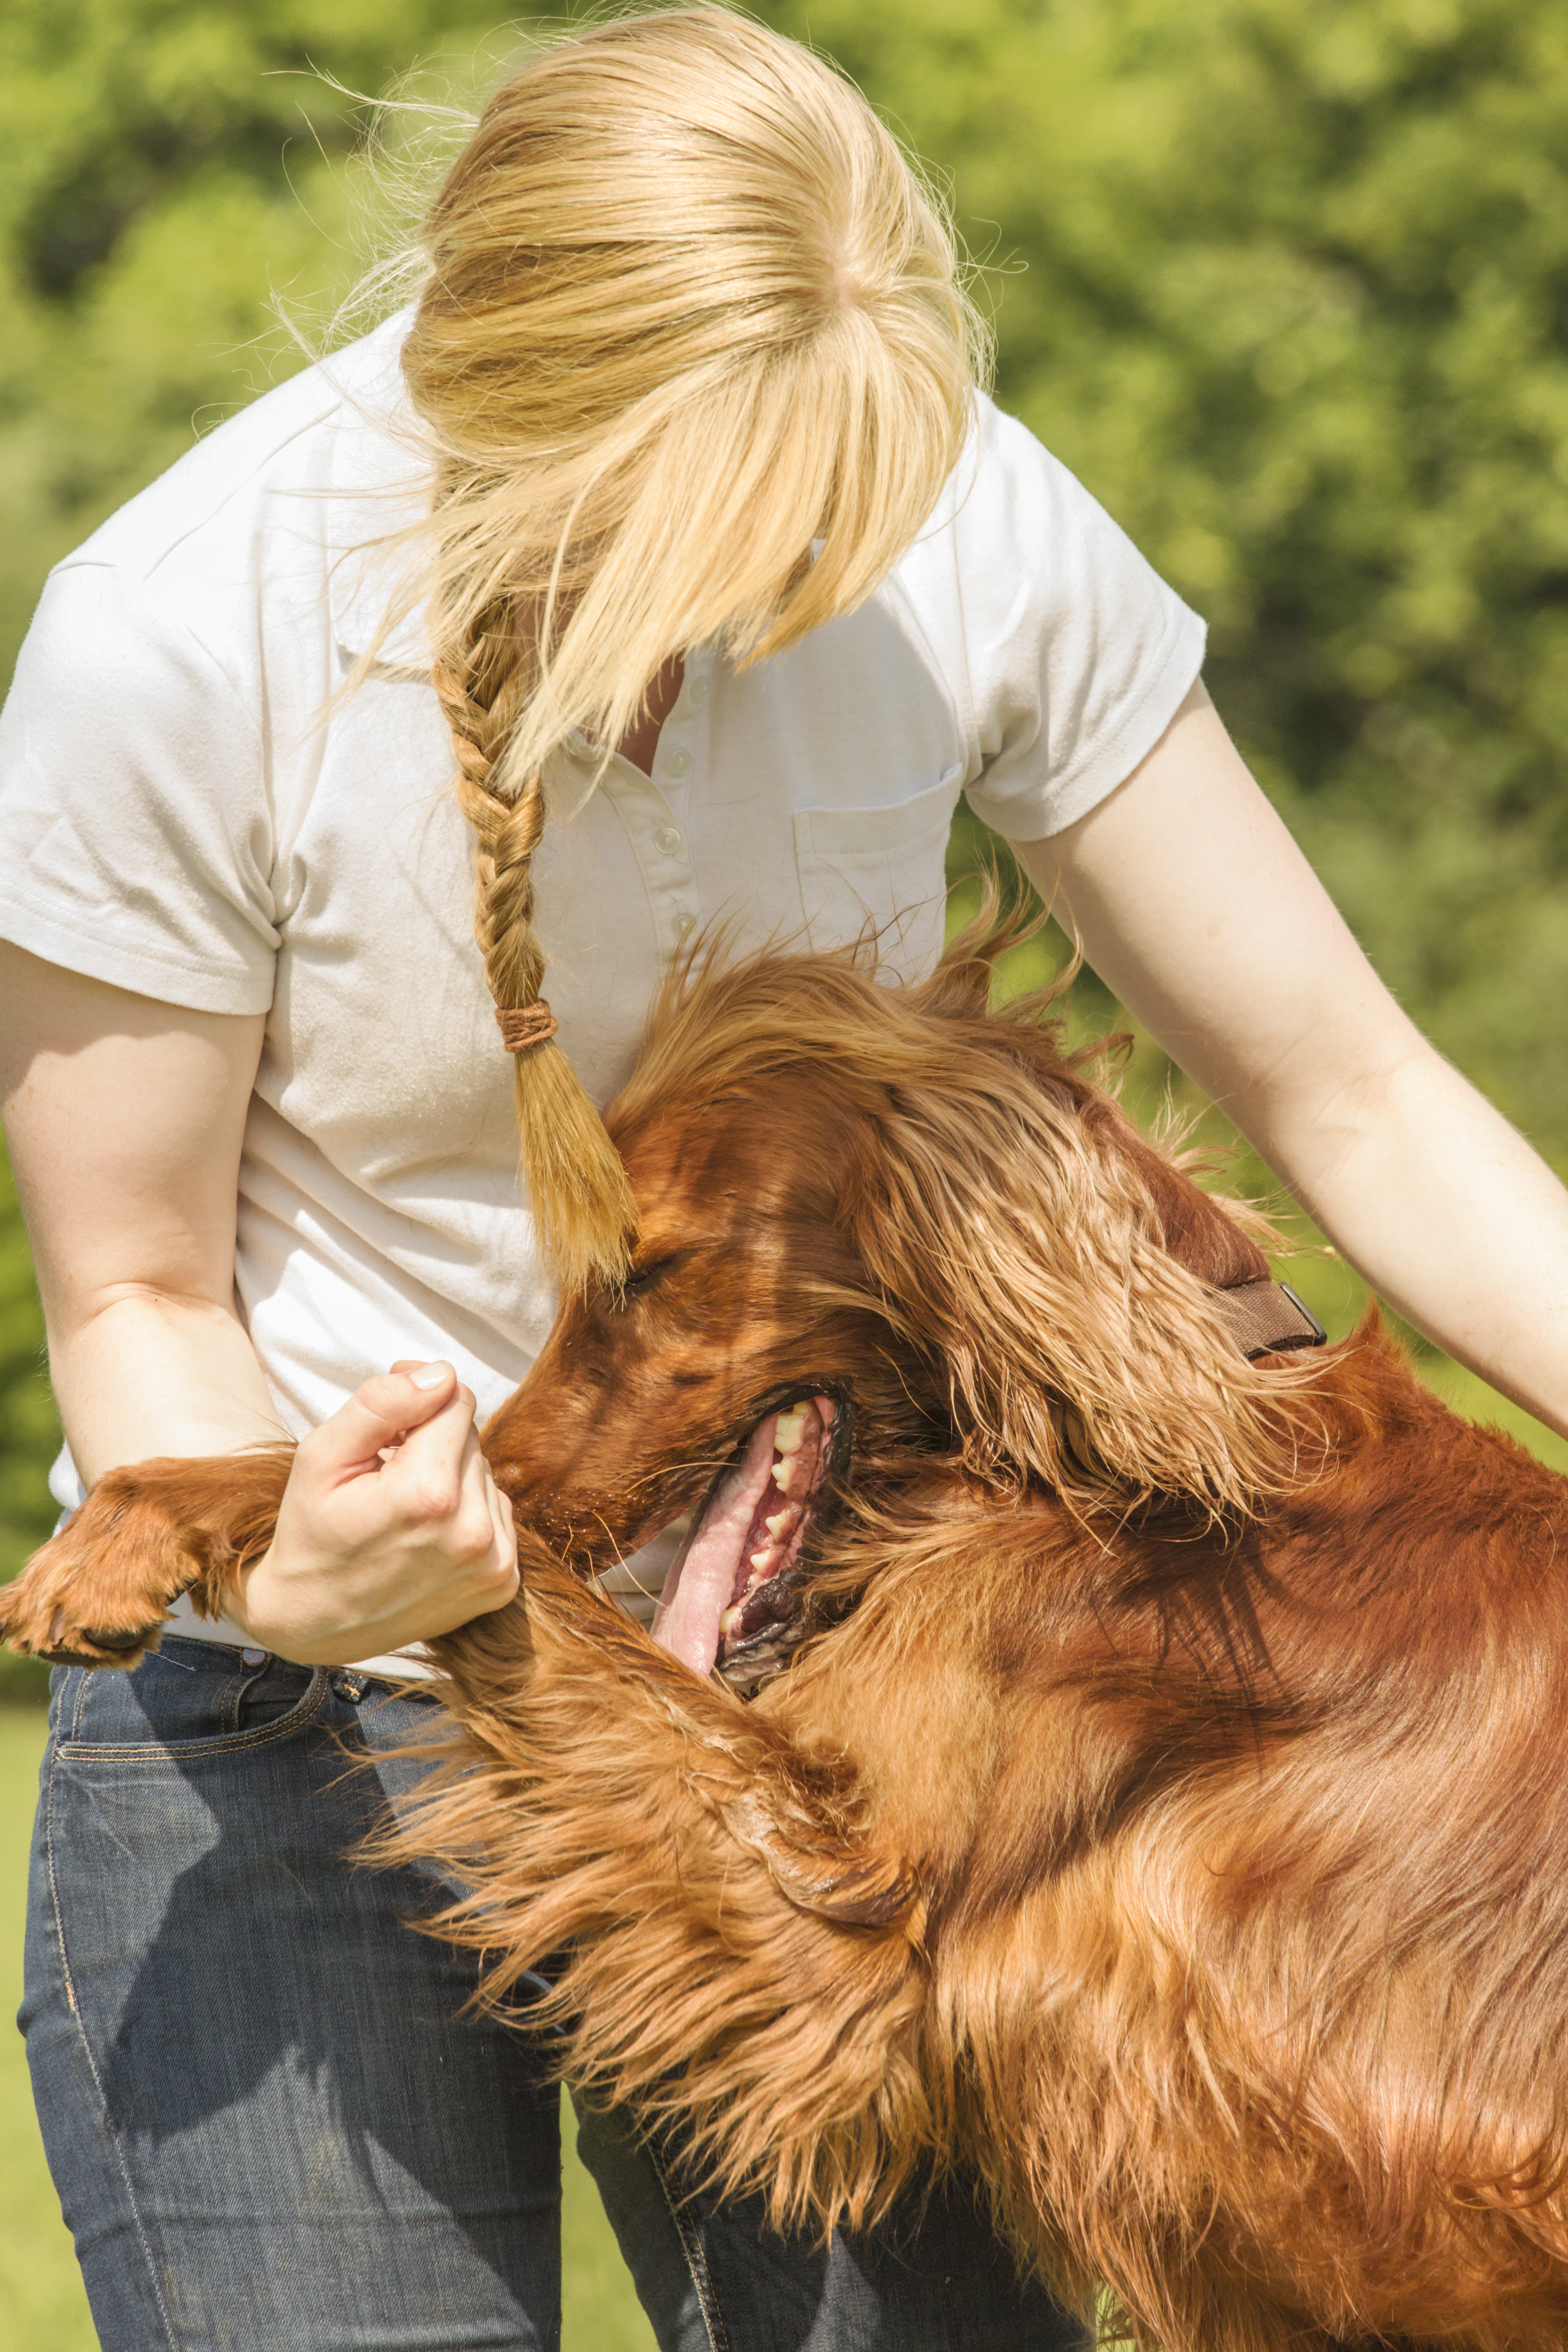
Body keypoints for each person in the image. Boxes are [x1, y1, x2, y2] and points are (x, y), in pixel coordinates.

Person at [3, 10, 1567, 2350]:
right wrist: (327, 1568)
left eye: (864, 509)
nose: (833, 582)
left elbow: (1355, 1096)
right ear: (527, 430)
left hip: (823, 1704)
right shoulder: (169, 645)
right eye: (768, 534)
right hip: (288, 1707)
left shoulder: (952, 508)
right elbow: (130, 1283)